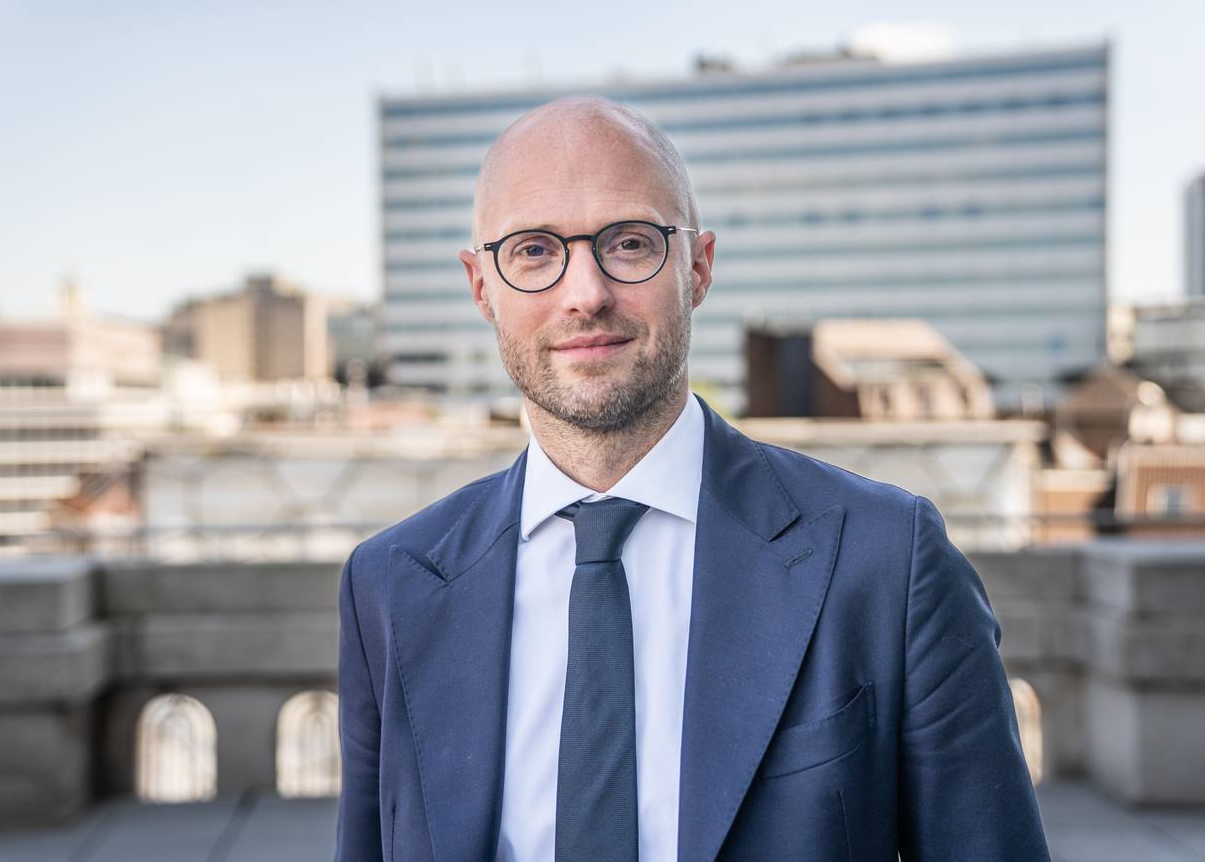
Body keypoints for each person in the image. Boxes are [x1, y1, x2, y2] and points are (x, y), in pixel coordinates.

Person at [335, 97, 1050, 861]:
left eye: (631, 243)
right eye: (535, 251)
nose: (586, 293)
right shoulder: (390, 587)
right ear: (482, 288)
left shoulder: (888, 562)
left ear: (699, 267)